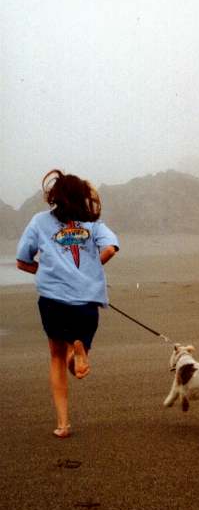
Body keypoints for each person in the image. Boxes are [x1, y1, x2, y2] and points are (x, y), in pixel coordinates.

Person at [16, 169, 119, 438]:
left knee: (55, 357)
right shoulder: (93, 224)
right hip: (86, 301)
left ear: (55, 196)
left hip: (53, 300)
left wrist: (45, 270)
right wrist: (89, 271)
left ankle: (63, 424)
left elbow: (22, 261)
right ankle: (79, 348)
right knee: (76, 346)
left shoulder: (39, 222)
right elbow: (110, 248)